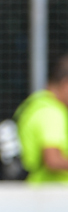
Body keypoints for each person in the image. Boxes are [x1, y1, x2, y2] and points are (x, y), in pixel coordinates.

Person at [16, 54, 68, 185]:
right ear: (65, 83)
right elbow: (53, 160)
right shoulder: (51, 113)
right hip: (50, 192)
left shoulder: (36, 104)